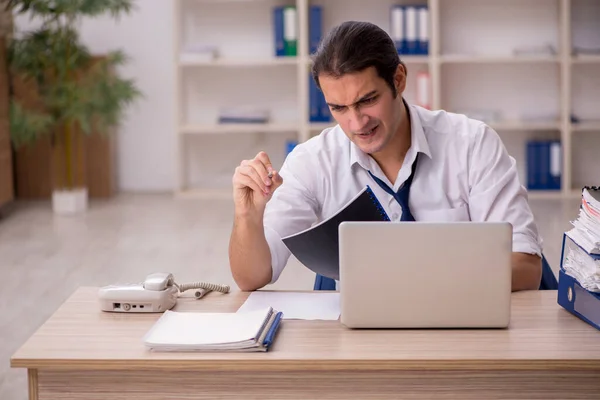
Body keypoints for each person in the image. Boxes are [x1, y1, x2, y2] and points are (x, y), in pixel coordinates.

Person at [229, 21, 543, 292]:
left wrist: (430, 279)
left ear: (399, 80)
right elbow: (252, 278)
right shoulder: (311, 161)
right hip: (356, 336)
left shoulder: (473, 144)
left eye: (367, 100)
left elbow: (526, 267)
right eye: (338, 108)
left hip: (459, 321)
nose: (356, 123)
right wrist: (248, 217)